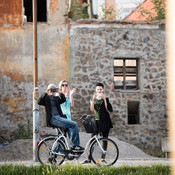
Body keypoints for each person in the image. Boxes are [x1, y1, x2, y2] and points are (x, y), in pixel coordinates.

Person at [37, 83, 84, 151]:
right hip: (53, 118)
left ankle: (53, 155)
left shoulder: (56, 98)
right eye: (51, 89)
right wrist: (45, 93)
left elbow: (63, 100)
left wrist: (60, 93)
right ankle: (75, 145)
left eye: (54, 88)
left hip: (59, 118)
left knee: (61, 138)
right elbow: (39, 102)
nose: (52, 90)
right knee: (74, 124)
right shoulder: (46, 98)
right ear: (48, 90)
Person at [82, 82, 113, 163]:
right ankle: (89, 159)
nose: (99, 91)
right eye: (98, 89)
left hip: (105, 121)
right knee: (92, 139)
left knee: (105, 140)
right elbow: (92, 109)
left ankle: (103, 158)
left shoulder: (106, 98)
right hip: (96, 121)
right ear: (96, 90)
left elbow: (109, 110)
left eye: (100, 89)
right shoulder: (93, 99)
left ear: (103, 90)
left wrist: (105, 100)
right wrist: (92, 100)